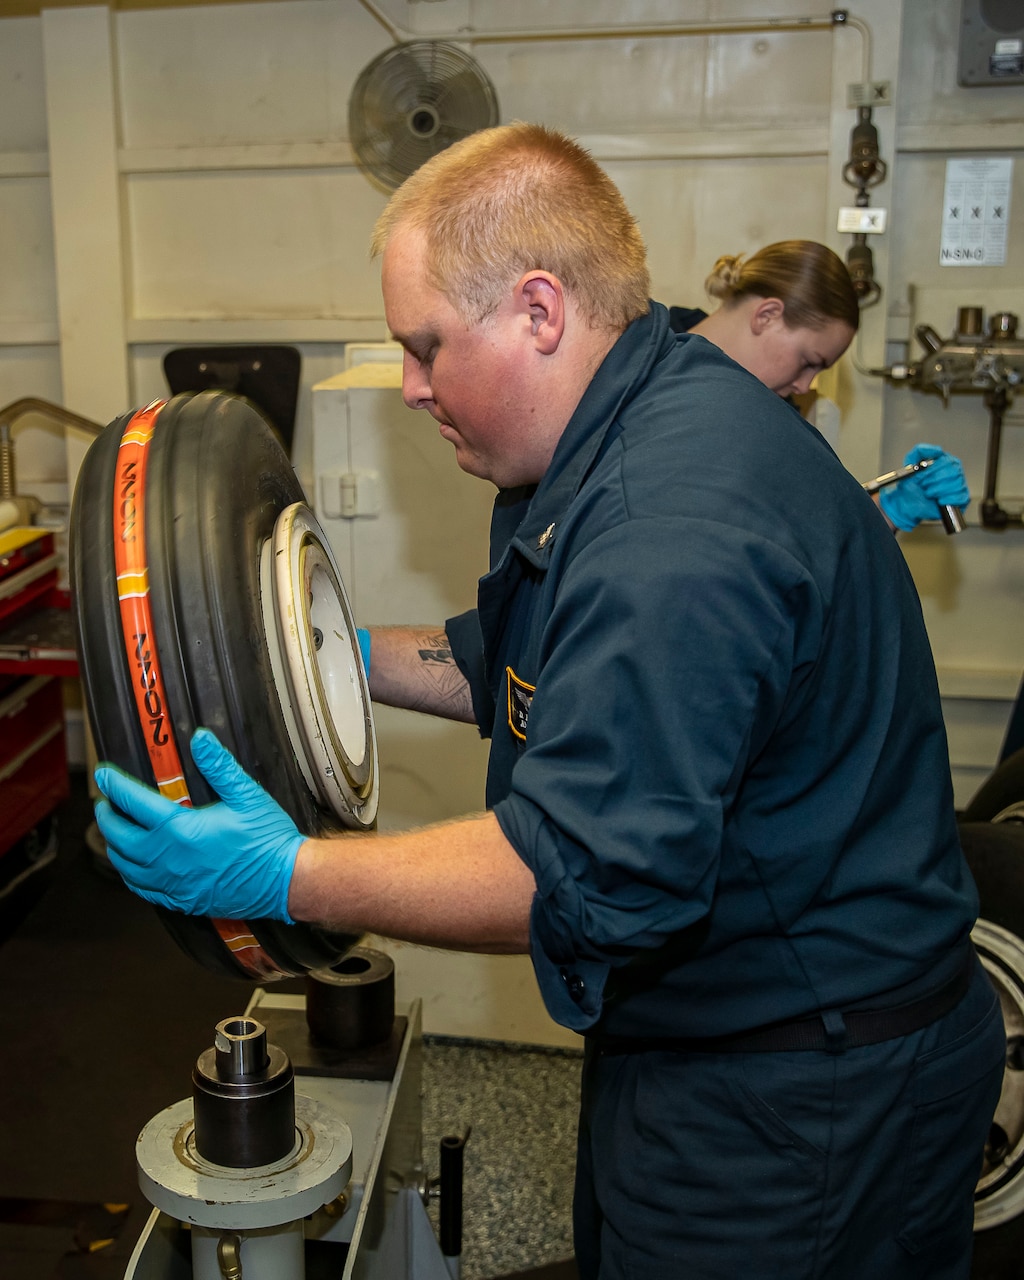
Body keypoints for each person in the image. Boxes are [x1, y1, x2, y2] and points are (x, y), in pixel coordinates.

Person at [93, 123, 1003, 1280]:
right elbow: (522, 666)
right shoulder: (649, 388)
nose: (412, 386)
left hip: (802, 1093)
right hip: (735, 1039)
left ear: (538, 310)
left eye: (424, 346)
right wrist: (325, 649)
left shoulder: (668, 526)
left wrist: (289, 874)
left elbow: (576, 871)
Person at [669, 239, 971, 531]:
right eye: (808, 361)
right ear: (767, 316)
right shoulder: (643, 368)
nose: (804, 386)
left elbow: (800, 533)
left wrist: (890, 509)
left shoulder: (772, 414)